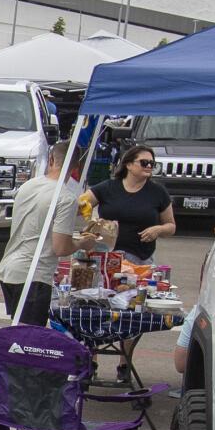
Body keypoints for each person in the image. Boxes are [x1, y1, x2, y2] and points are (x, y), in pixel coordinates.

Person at [89, 144, 175, 381]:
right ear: (128, 164)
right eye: (144, 163)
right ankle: (91, 362)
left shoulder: (157, 193)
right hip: (108, 259)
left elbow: (171, 225)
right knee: (98, 308)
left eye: (152, 164)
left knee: (132, 312)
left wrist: (158, 229)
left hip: (140, 260)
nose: (149, 167)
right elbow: (82, 204)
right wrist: (95, 226)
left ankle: (124, 364)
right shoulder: (108, 188)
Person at [0, 139, 82, 327]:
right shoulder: (66, 198)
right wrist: (83, 243)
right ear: (76, 167)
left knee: (18, 328)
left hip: (9, 268)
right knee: (27, 338)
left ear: (50, 160)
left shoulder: (29, 185)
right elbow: (60, 248)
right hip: (34, 275)